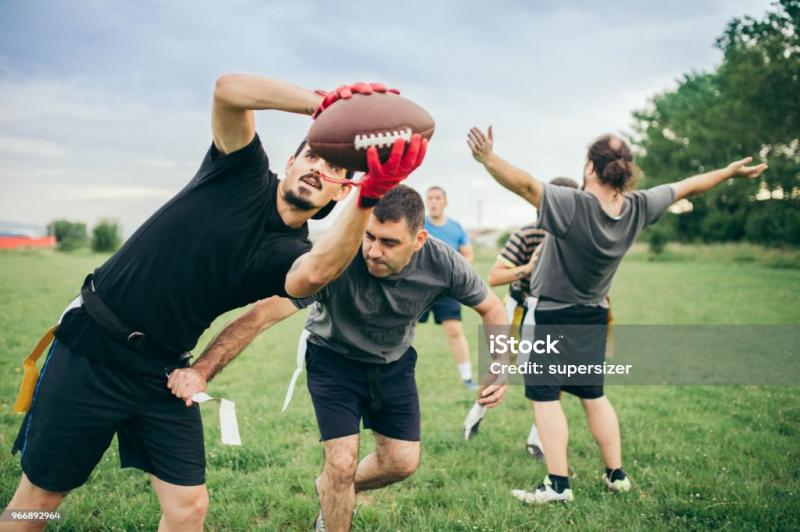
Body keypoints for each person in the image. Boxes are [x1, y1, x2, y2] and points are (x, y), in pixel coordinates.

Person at [3, 75, 426, 532]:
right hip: (93, 346)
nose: (317, 166)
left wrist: (370, 197)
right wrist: (323, 106)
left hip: (160, 371)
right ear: (290, 161)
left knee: (189, 507)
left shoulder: (293, 252)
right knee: (40, 499)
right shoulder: (238, 172)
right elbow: (228, 90)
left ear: (341, 192)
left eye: (334, 170)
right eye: (311, 154)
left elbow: (317, 273)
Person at [167, 186, 509, 531]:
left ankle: (332, 488)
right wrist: (200, 370)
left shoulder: (443, 262)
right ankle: (335, 496)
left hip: (393, 364)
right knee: (341, 463)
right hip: (334, 361)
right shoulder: (337, 260)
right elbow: (261, 316)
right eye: (369, 237)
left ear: (418, 239)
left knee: (401, 463)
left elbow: (492, 308)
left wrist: (499, 368)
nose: (374, 252)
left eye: (389, 243)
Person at [468, 125, 766, 504]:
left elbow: (525, 185)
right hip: (594, 314)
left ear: (591, 168)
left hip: (554, 315)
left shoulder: (572, 204)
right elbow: (687, 186)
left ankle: (557, 485)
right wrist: (727, 172)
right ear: (624, 171)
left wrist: (488, 158)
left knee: (544, 398)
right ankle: (616, 475)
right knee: (593, 395)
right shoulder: (637, 207)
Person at [482, 177, 579, 458]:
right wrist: (527, 268)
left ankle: (536, 439)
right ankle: (476, 413)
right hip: (519, 307)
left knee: (550, 374)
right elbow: (494, 276)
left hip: (555, 313)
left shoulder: (578, 238)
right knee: (502, 365)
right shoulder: (527, 234)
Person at [419, 186, 478, 389]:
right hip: (418, 287)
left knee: (454, 330)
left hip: (447, 288)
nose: (433, 201)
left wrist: (458, 271)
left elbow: (468, 254)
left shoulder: (456, 227)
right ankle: (391, 370)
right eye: (430, 198)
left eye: (437, 198)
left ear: (445, 202)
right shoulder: (418, 223)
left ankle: (467, 378)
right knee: (405, 328)